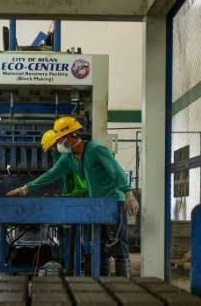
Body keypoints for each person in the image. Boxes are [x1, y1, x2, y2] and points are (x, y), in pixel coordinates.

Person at [7, 116, 139, 277]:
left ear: (70, 138)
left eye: (59, 140)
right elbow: (50, 175)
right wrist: (25, 188)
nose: (58, 145)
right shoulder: (68, 159)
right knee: (99, 248)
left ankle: (122, 287)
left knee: (118, 245)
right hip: (95, 205)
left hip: (113, 203)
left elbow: (115, 170)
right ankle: (101, 287)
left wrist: (128, 193)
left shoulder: (96, 150)